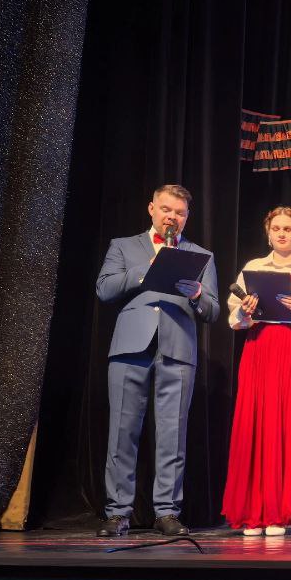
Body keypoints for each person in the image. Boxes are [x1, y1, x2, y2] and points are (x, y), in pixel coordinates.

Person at [95, 184, 219, 537]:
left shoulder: (200, 255)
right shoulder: (124, 246)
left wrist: (197, 294)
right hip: (130, 348)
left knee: (172, 434)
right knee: (122, 432)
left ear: (186, 217)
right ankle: (118, 512)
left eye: (180, 213)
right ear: (152, 209)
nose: (172, 217)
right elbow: (104, 289)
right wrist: (143, 270)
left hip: (177, 351)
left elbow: (212, 311)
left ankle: (167, 512)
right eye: (166, 210)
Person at [222, 207, 291, 535]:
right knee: (255, 423)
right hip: (260, 348)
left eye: (288, 228)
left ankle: (280, 512)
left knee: (289, 425)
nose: (282, 234)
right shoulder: (254, 267)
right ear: (268, 233)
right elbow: (234, 319)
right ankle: (253, 511)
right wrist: (245, 311)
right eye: (276, 229)